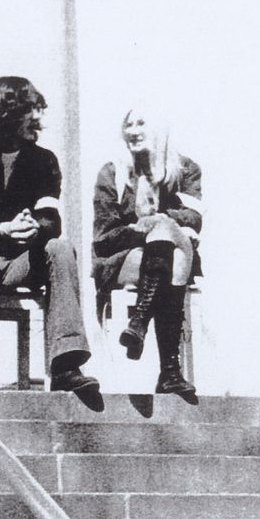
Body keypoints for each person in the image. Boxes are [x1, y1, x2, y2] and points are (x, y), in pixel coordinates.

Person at [0, 76, 96, 401]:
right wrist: (2, 229)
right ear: (5, 113)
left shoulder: (43, 160)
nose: (39, 120)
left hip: (19, 262)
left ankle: (66, 364)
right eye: (32, 111)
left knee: (59, 246)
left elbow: (51, 219)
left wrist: (36, 227)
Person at [92, 108, 202, 402]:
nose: (133, 130)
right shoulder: (112, 172)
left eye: (141, 123)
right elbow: (103, 238)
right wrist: (144, 230)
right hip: (123, 258)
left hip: (174, 255)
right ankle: (170, 372)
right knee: (169, 250)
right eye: (128, 124)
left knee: (166, 235)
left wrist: (160, 221)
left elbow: (194, 218)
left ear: (158, 127)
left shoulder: (185, 169)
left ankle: (139, 322)